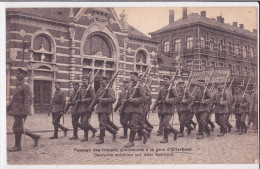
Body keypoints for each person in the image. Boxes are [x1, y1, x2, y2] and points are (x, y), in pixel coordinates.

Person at [7, 68, 40, 152]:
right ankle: (35, 136)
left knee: (16, 127)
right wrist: (8, 107)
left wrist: (24, 112)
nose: (17, 75)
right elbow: (14, 99)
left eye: (19, 74)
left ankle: (17, 146)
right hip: (16, 111)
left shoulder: (26, 87)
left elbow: (28, 101)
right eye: (17, 74)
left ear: (24, 75)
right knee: (19, 128)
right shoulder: (17, 86)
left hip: (21, 112)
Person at [123, 71, 149, 148]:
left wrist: (134, 100)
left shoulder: (140, 87)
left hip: (137, 109)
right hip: (130, 109)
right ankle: (144, 133)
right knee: (126, 123)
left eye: (134, 77)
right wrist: (124, 102)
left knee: (133, 125)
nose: (132, 78)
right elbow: (127, 96)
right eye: (131, 76)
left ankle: (131, 142)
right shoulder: (131, 87)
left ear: (137, 78)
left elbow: (143, 98)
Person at [90, 75, 117, 144]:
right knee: (103, 124)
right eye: (100, 80)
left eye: (102, 80)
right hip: (99, 109)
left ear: (106, 81)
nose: (101, 82)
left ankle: (101, 139)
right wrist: (91, 106)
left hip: (106, 109)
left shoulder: (110, 89)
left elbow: (113, 99)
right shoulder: (100, 89)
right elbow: (95, 99)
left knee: (102, 123)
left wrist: (104, 100)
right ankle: (113, 131)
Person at [151, 75, 178, 143]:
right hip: (162, 109)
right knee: (163, 123)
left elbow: (176, 98)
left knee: (165, 123)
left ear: (169, 80)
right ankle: (175, 131)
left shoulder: (172, 89)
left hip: (169, 109)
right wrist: (153, 107)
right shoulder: (161, 89)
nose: (165, 81)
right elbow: (157, 99)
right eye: (164, 79)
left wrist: (168, 100)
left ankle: (165, 138)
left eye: (166, 79)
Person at [76, 75, 97, 141]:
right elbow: (79, 98)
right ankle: (93, 130)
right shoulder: (81, 89)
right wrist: (78, 100)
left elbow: (94, 99)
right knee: (82, 122)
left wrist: (86, 100)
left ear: (88, 81)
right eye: (82, 80)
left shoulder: (91, 89)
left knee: (84, 122)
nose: (83, 82)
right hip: (82, 108)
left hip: (88, 108)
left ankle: (86, 137)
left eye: (85, 80)